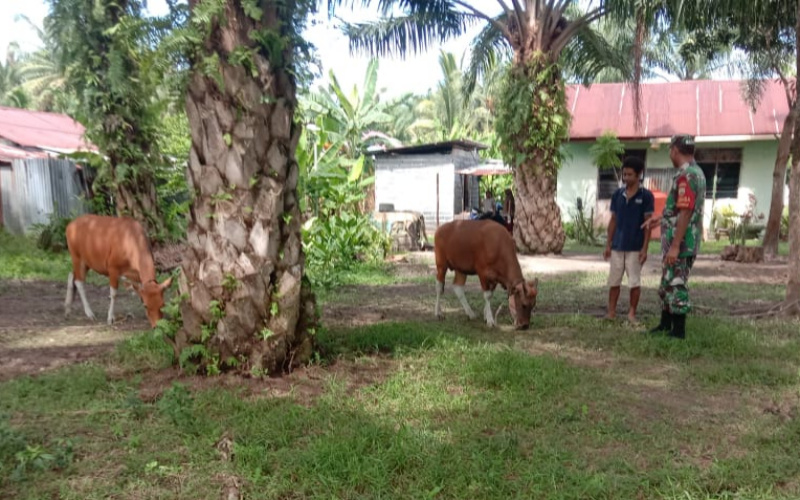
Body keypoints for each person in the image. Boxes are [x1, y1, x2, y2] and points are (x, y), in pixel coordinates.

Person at [641, 134, 707, 339]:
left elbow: (686, 212)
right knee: (667, 282)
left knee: (676, 283)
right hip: (679, 239)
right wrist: (661, 219)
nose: (670, 153)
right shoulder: (695, 173)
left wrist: (675, 245)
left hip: (681, 242)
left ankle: (678, 332)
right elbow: (681, 210)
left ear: (674, 150)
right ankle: (665, 324)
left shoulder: (687, 175)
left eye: (670, 150)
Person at [603, 156, 654, 323]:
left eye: (630, 175)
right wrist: (608, 244)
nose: (626, 178)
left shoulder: (646, 196)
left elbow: (648, 225)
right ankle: (611, 312)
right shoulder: (617, 195)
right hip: (617, 246)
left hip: (635, 247)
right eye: (624, 174)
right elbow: (613, 221)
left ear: (639, 175)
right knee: (614, 281)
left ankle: (632, 313)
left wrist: (645, 248)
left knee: (634, 282)